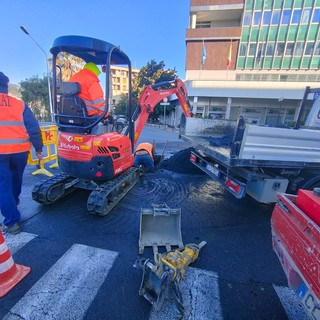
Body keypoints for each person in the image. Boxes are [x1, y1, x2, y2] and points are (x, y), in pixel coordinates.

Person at [0, 72, 43, 235]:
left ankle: (12, 223)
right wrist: (38, 148)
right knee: (16, 179)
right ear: (6, 85)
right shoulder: (19, 103)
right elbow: (33, 127)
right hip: (19, 151)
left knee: (3, 186)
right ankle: (14, 202)